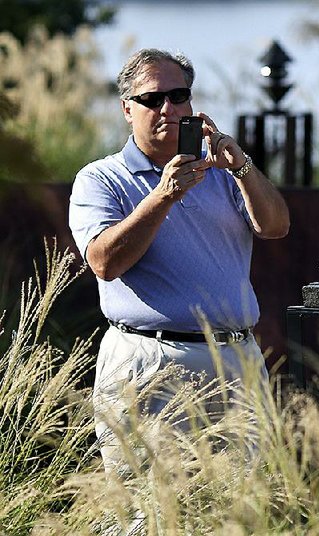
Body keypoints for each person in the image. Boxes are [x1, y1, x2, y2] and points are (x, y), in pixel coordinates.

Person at [68, 48, 290, 474]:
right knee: (145, 509)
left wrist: (241, 166)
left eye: (178, 95)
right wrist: (164, 195)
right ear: (127, 109)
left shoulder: (223, 174)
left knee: (236, 507)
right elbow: (103, 262)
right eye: (152, 99)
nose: (167, 108)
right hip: (149, 360)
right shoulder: (100, 178)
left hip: (234, 359)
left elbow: (276, 226)